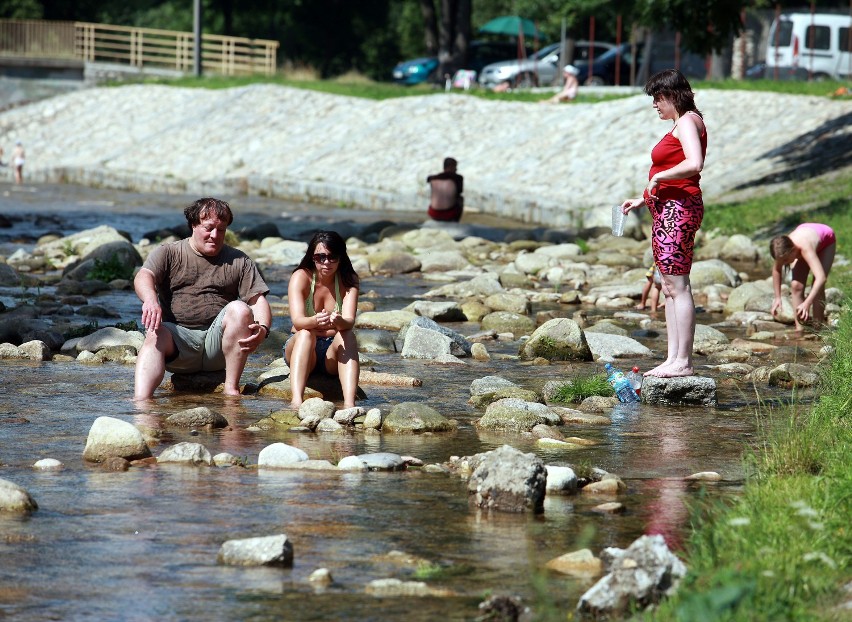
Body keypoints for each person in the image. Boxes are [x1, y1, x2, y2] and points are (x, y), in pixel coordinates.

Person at [133, 197, 271, 400]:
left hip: (219, 348)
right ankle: (141, 402)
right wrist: (150, 299)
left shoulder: (240, 260)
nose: (215, 235)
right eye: (208, 228)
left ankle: (231, 390)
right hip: (179, 344)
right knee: (154, 332)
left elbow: (257, 300)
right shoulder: (169, 252)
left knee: (240, 309)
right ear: (193, 225)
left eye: (221, 230)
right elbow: (144, 276)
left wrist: (264, 329)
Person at [621, 69, 707, 378]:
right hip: (669, 208)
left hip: (679, 208)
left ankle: (683, 361)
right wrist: (642, 197)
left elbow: (694, 163)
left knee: (678, 285)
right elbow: (674, 167)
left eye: (658, 98)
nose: (655, 105)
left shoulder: (686, 121)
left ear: (673, 95)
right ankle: (673, 358)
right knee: (669, 286)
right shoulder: (681, 122)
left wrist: (657, 177)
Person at [285, 230, 360, 409]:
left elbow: (349, 321)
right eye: (320, 257)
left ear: (341, 257)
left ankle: (349, 404)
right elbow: (297, 321)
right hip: (302, 348)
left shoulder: (348, 280)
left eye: (332, 257)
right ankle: (296, 401)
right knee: (305, 334)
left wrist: (339, 321)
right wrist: (315, 321)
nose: (326, 262)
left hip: (331, 354)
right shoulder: (301, 277)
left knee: (347, 335)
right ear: (312, 257)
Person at [770, 223, 836, 330]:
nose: (784, 263)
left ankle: (817, 328)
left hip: (826, 240)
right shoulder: (780, 250)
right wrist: (777, 297)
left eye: (786, 260)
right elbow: (776, 270)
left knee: (817, 284)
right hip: (806, 231)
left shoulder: (805, 248)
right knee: (796, 285)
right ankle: (799, 329)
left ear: (792, 250)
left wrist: (807, 303)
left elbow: (821, 278)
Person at [427, 157, 464, 222]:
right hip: (450, 214)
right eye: (455, 166)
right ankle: (455, 222)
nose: (456, 169)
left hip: (433, 213)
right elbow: (459, 191)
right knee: (460, 198)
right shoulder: (458, 178)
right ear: (451, 166)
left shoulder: (433, 178)